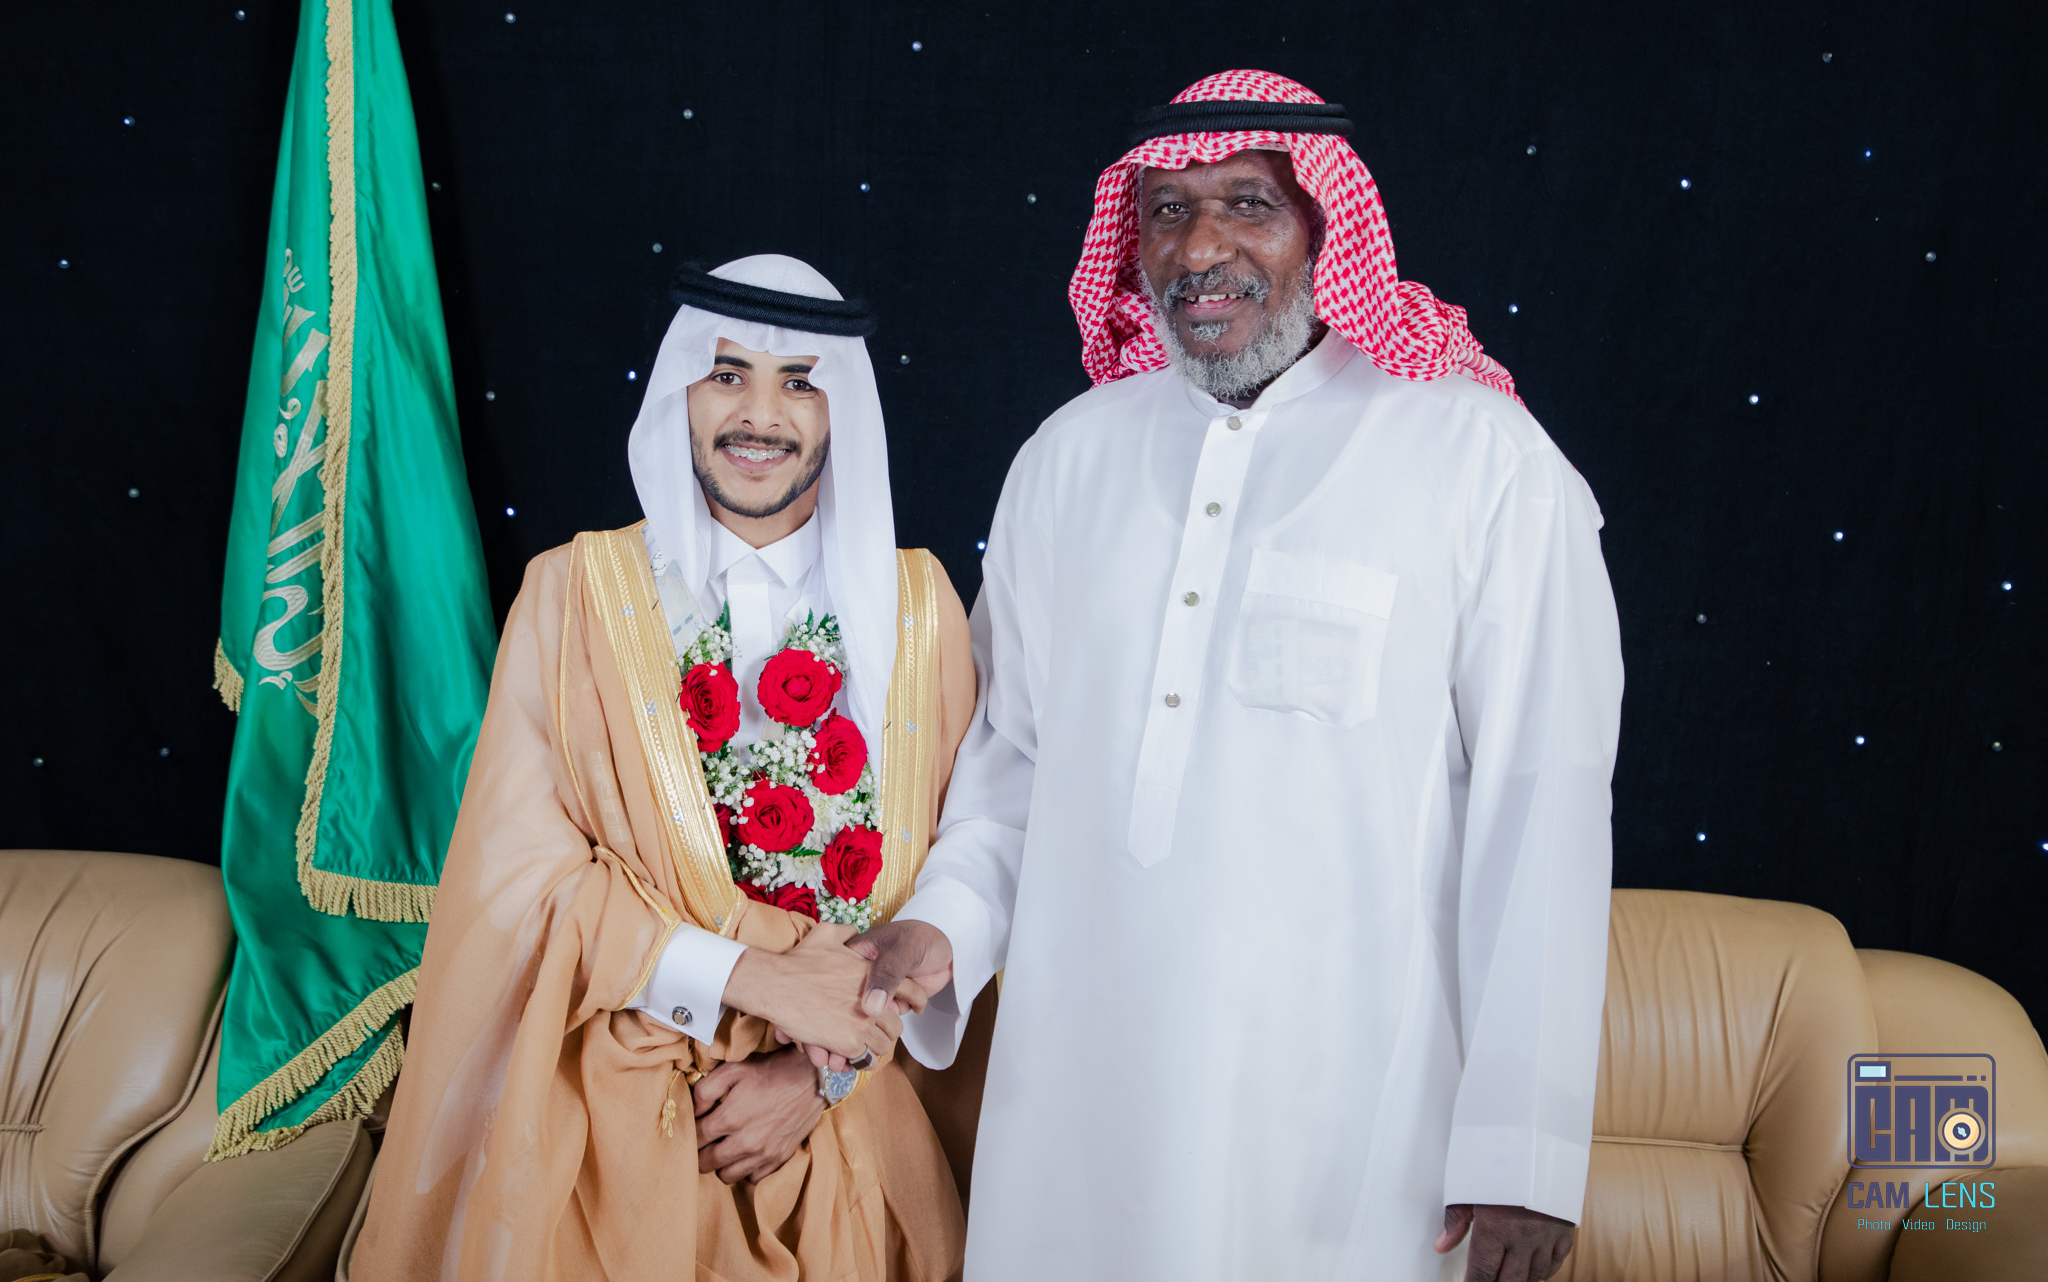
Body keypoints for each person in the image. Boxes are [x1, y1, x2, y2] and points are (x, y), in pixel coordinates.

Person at [855, 71, 1625, 1281]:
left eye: (1246, 205)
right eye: (1168, 211)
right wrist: (942, 925)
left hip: (1347, 1117)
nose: (1200, 249)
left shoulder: (1478, 458)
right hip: (1080, 1097)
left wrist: (1522, 1148)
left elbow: (1544, 811)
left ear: (1326, 227)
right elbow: (1015, 761)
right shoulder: (1068, 458)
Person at [352, 255, 984, 1282]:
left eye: (799, 381)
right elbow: (518, 880)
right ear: (679, 391)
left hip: (844, 1123)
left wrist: (817, 1076)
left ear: (843, 410)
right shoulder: (572, 592)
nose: (760, 414)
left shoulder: (920, 611)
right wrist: (750, 979)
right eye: (727, 374)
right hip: (615, 1123)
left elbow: (952, 881)